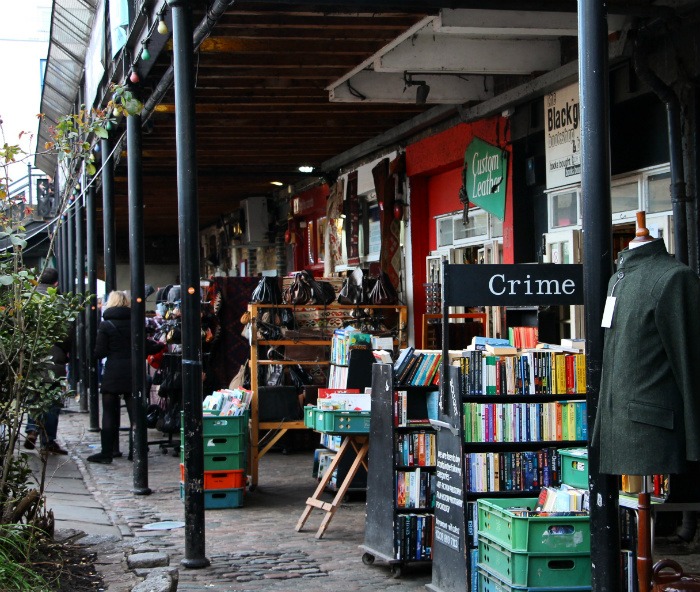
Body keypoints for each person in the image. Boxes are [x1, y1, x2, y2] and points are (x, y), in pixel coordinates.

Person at [89, 290, 164, 464]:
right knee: (136, 414)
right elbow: (146, 347)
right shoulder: (136, 323)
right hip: (133, 371)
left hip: (114, 371)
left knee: (108, 412)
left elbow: (99, 353)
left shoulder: (106, 325)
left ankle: (107, 452)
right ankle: (136, 450)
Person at [24, 267, 70, 455]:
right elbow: (67, 334)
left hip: (31, 356)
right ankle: (48, 440)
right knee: (51, 400)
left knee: (34, 396)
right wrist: (66, 352)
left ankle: (32, 428)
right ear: (56, 283)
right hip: (54, 357)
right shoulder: (60, 302)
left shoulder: (28, 300)